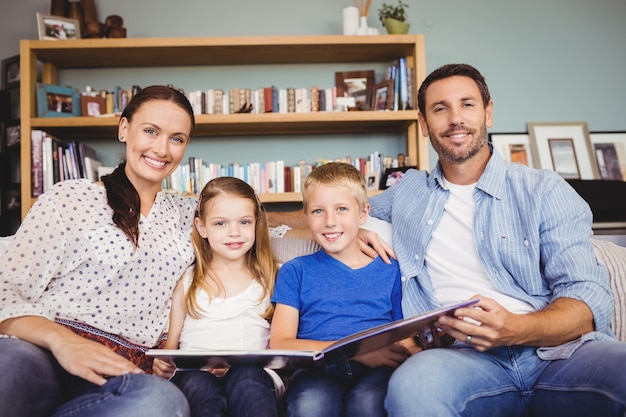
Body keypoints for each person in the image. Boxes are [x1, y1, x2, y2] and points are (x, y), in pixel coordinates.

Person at [268, 64, 626, 416]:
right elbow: (332, 207)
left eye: (467, 105)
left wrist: (515, 329)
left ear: (488, 112)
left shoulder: (544, 190)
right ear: (424, 124)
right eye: (440, 109)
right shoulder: (408, 191)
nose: (456, 118)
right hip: (460, 360)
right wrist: (335, 226)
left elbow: (589, 299)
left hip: (558, 354)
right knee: (413, 387)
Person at [0, 85, 196, 417]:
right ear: (124, 129)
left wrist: (316, 213)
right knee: (7, 373)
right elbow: (6, 292)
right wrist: (64, 343)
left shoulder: (188, 215)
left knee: (163, 404)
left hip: (123, 374)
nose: (162, 148)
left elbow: (262, 221)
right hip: (44, 350)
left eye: (177, 138)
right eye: (151, 131)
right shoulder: (70, 198)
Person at [269, 162, 416, 417]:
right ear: (306, 215)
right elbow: (280, 343)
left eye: (341, 209)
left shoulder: (389, 268)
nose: (329, 221)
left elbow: (402, 336)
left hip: (378, 371)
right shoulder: (295, 271)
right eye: (318, 211)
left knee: (368, 403)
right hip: (317, 371)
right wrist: (357, 352)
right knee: (311, 405)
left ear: (362, 214)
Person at [152, 176, 282, 417]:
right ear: (202, 227)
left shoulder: (272, 278)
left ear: (256, 223)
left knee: (247, 377)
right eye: (220, 224)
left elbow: (281, 345)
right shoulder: (189, 280)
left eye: (244, 222)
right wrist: (163, 364)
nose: (234, 232)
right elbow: (171, 347)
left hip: (254, 376)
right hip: (195, 375)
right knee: (199, 384)